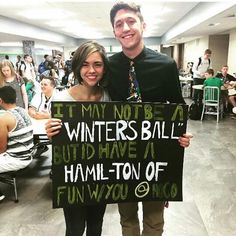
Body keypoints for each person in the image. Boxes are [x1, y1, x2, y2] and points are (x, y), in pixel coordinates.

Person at [108, 2, 192, 236]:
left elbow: (177, 106)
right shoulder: (109, 66)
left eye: (131, 21)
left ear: (143, 25)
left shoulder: (165, 65)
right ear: (114, 31)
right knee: (127, 218)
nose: (125, 27)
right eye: (119, 24)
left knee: (154, 221)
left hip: (155, 156)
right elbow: (95, 104)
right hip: (120, 155)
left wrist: (181, 134)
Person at [45, 41, 110, 236]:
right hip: (73, 178)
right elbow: (59, 144)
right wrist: (51, 134)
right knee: (74, 229)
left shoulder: (109, 97)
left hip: (101, 176)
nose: (91, 70)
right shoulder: (61, 100)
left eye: (97, 64)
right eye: (85, 64)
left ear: (104, 68)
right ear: (77, 66)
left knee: (96, 227)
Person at [0, 86, 34, 200]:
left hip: (17, 159)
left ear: (1, 100)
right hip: (29, 154)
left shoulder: (5, 118)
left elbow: (2, 148)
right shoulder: (23, 111)